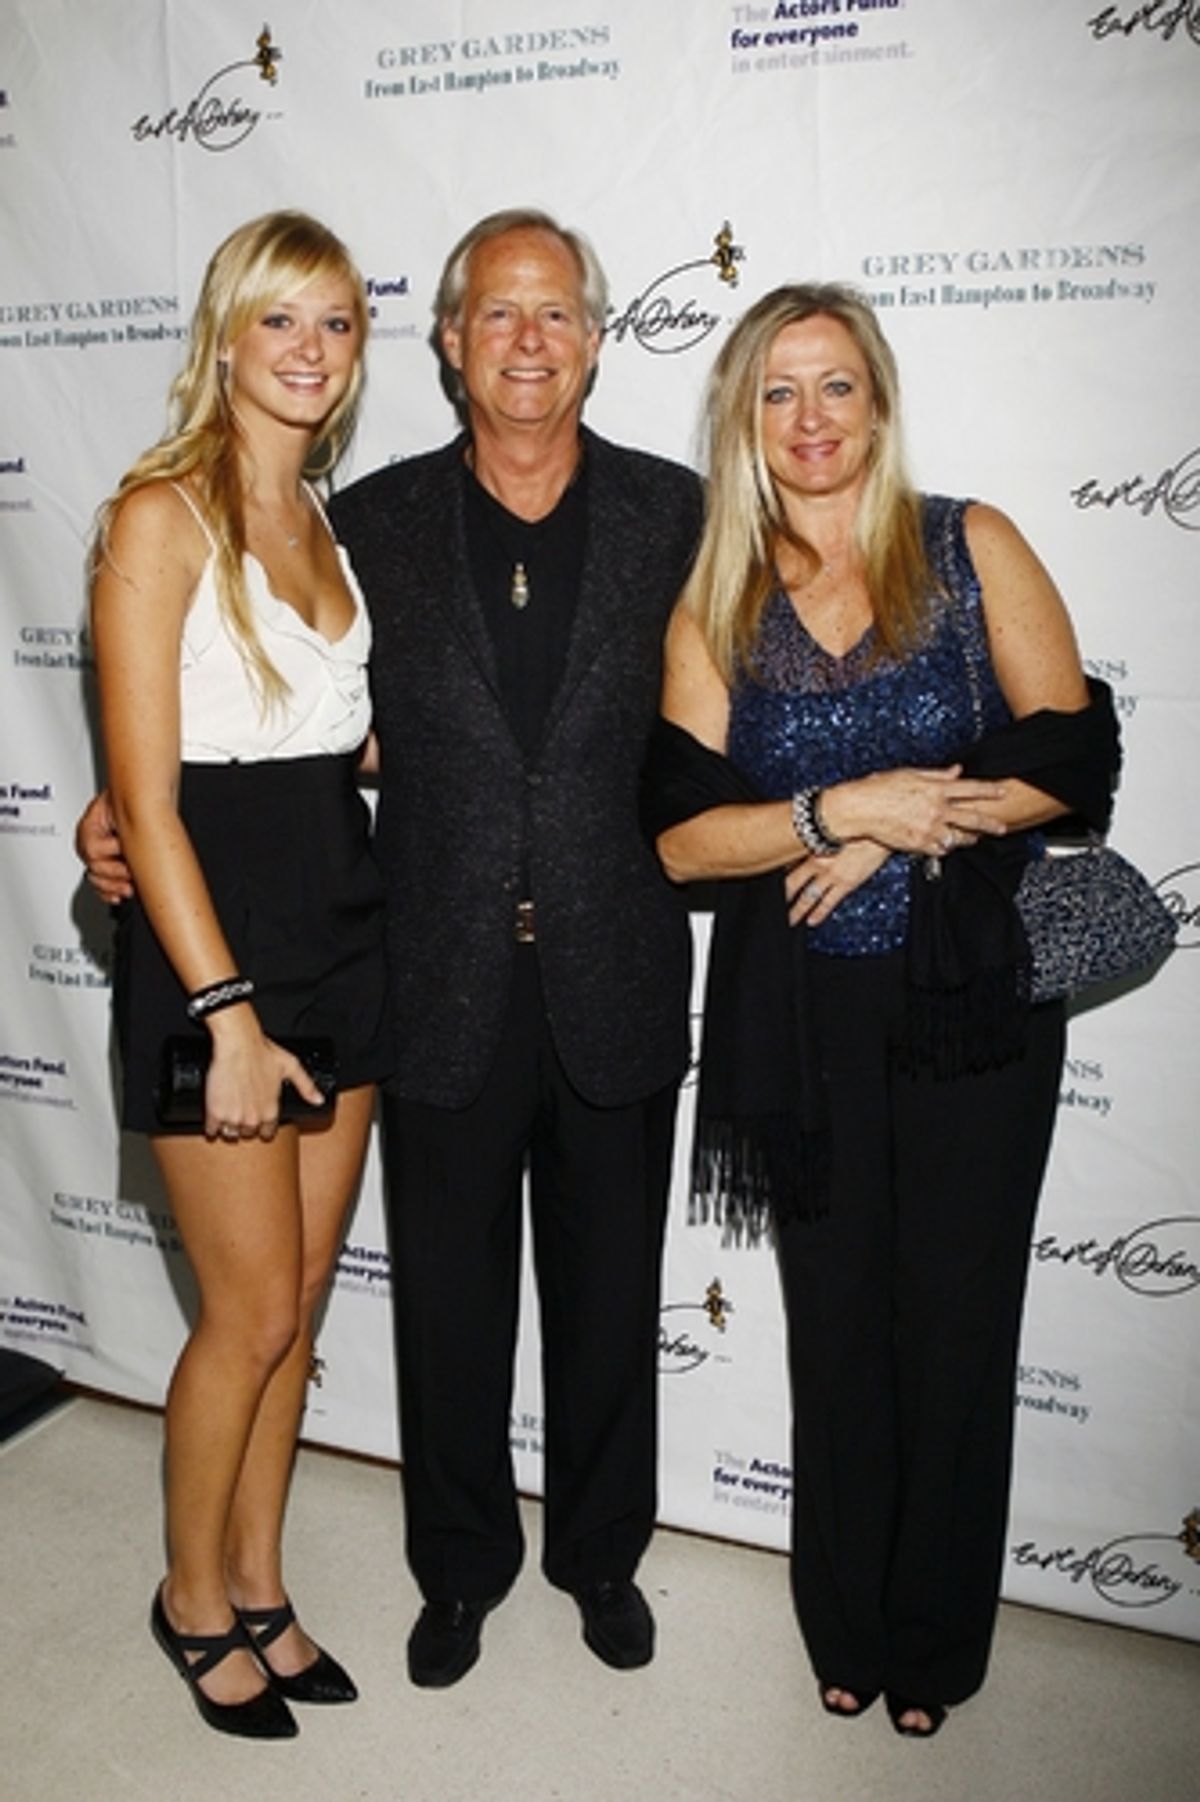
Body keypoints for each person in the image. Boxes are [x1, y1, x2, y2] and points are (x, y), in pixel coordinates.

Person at [84, 208, 704, 1688]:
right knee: (435, 1302)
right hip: (427, 973)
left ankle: (601, 1554)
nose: (529, 340)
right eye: (497, 313)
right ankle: (455, 1570)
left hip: (597, 965)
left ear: (600, 340)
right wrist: (118, 824)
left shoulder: (678, 514)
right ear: (447, 342)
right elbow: (214, 741)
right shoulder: (372, 520)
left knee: (608, 1299)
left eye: (557, 313)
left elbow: (753, 687)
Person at [649, 283, 1117, 1736]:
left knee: (959, 1325)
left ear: (880, 400)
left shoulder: (968, 544)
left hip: (974, 1006)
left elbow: (1076, 757)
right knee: (835, 1325)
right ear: (746, 419)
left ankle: (935, 1640)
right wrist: (831, 808)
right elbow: (675, 837)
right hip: (807, 1023)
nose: (810, 419)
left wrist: (901, 826)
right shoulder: (717, 597)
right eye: (779, 393)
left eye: (836, 385)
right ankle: (843, 1618)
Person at [89, 211, 391, 1738]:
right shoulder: (163, 517)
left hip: (346, 930)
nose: (310, 349)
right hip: (221, 960)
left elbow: (344, 751)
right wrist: (224, 1017)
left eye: (336, 323)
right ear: (225, 336)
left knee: (304, 1307)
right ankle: (189, 1599)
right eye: (281, 320)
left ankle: (262, 1583)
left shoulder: (328, 524)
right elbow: (145, 802)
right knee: (249, 1312)